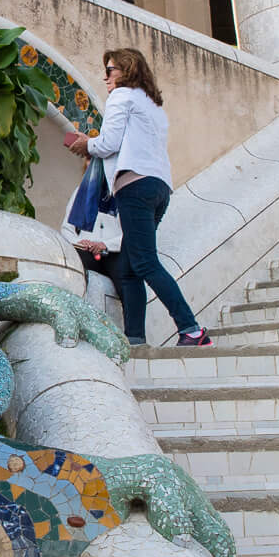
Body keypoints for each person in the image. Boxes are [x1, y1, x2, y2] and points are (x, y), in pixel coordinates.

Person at [64, 46, 212, 348]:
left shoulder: (122, 96)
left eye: (110, 70)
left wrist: (85, 144)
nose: (106, 78)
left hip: (134, 186)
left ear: (126, 70)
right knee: (131, 269)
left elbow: (108, 144)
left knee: (145, 263)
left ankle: (191, 328)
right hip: (159, 188)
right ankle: (134, 338)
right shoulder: (153, 106)